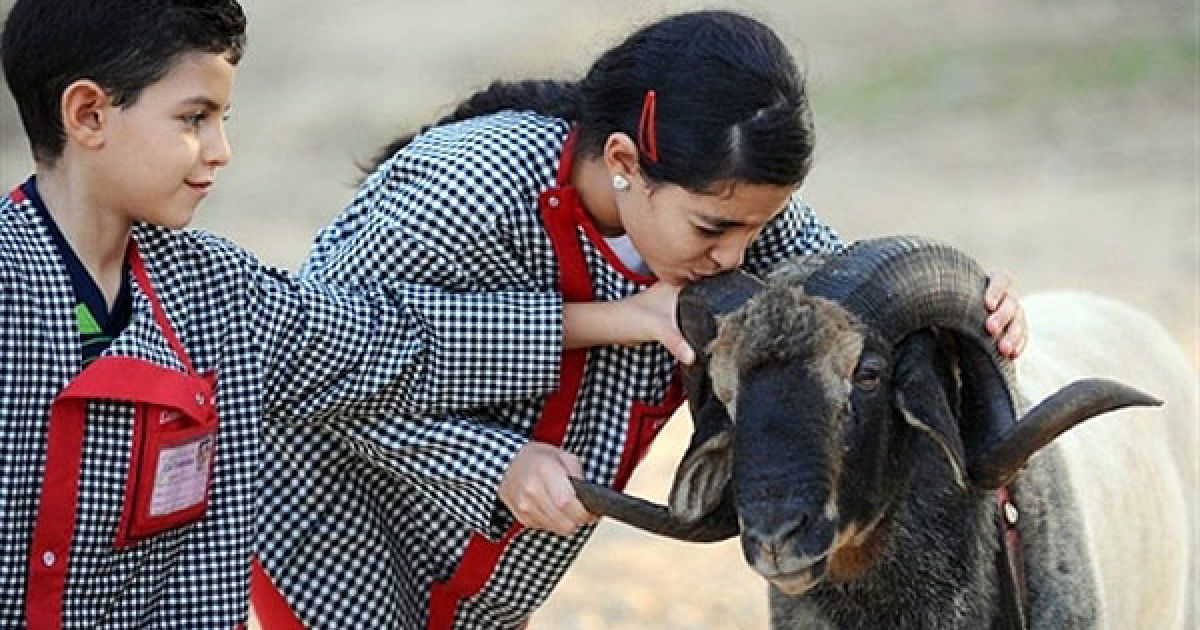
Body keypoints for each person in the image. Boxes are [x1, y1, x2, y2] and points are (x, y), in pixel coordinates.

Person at [254, 9, 1027, 629]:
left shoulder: (733, 222)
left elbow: (856, 317)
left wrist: (977, 313)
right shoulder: (466, 184)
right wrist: (505, 456)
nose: (737, 258)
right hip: (331, 552)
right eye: (713, 230)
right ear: (624, 161)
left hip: (494, 587)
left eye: (759, 229)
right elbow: (298, 360)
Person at [0, 1, 563, 627]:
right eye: (195, 119)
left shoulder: (217, 288)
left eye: (222, 118)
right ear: (88, 114)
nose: (220, 151)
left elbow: (393, 343)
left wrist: (612, 318)